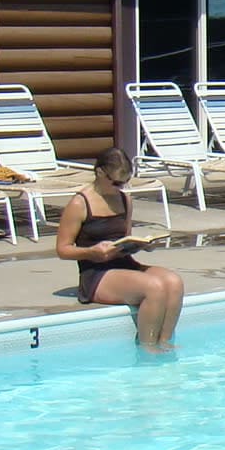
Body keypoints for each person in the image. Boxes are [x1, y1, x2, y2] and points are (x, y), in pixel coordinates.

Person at [55, 148, 184, 348]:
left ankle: (165, 343)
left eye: (124, 182)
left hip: (124, 263)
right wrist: (91, 252)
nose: (120, 187)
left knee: (174, 282)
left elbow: (125, 238)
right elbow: (62, 249)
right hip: (96, 273)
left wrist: (141, 245)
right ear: (99, 173)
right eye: (115, 182)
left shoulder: (125, 199)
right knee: (154, 287)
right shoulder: (80, 203)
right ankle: (148, 349)